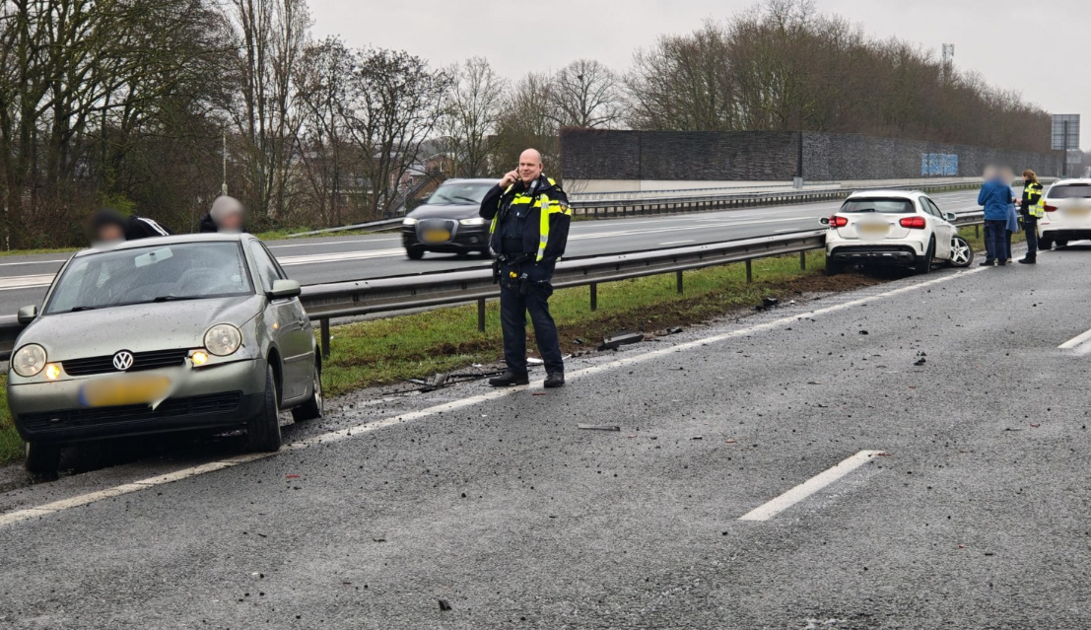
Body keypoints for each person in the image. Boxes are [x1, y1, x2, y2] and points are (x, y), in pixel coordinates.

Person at [479, 149, 572, 388]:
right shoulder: (511, 191)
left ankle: (555, 371)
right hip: (509, 265)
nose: (525, 168)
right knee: (511, 323)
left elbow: (557, 237)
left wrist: (541, 267)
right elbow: (485, 211)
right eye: (522, 164)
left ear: (541, 167)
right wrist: (500, 185)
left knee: (541, 321)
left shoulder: (552, 194)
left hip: (535, 267)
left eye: (530, 164)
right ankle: (516, 371)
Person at [977, 167, 1012, 266]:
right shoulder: (1005, 185)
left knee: (990, 238)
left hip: (990, 215)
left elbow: (980, 201)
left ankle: (991, 258)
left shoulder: (987, 185)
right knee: (1002, 238)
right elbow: (1009, 200)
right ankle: (1002, 258)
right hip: (1002, 215)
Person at [90, 207, 173, 244]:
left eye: (106, 230)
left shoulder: (140, 225)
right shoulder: (108, 245)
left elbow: (171, 241)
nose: (106, 235)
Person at [1018, 169, 1045, 264]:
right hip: (1028, 213)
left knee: (1031, 236)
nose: (1022, 178)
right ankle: (1030, 256)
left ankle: (1031, 256)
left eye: (1022, 176)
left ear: (1026, 176)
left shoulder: (1034, 186)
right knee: (1029, 235)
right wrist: (1022, 204)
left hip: (1031, 214)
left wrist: (1022, 201)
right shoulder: (1028, 185)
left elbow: (1033, 200)